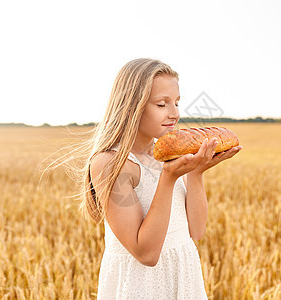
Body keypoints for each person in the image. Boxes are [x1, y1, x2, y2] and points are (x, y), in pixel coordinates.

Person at [84, 58, 241, 299]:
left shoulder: (171, 155)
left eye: (177, 103)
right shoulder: (110, 164)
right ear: (131, 106)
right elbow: (146, 254)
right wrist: (167, 179)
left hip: (183, 274)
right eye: (162, 104)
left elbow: (196, 231)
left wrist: (196, 172)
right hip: (141, 286)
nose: (175, 114)